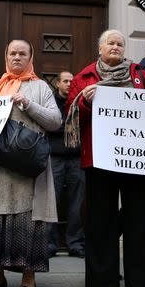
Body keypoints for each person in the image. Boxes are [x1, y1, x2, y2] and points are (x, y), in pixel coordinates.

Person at [65, 29, 145, 287]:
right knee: (100, 221)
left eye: (120, 43)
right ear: (100, 48)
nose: (116, 47)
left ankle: (139, 282)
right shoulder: (84, 78)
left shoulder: (141, 75)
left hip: (135, 159)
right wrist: (84, 102)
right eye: (111, 43)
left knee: (138, 219)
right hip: (98, 159)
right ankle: (103, 282)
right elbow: (70, 118)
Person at [0, 39, 61, 287]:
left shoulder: (40, 87)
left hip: (27, 169)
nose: (17, 58)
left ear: (31, 57)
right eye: (12, 53)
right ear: (6, 56)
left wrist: (29, 105)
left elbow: (55, 122)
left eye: (23, 53)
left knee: (28, 222)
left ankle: (28, 281)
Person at [47, 70, 85, 258]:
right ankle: (49, 244)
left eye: (72, 81)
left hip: (76, 158)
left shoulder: (78, 101)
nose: (69, 84)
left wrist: (62, 126)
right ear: (58, 83)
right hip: (54, 157)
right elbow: (51, 124)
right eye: (65, 81)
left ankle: (75, 244)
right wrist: (66, 126)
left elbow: (83, 125)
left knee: (77, 202)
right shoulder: (50, 102)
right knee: (51, 201)